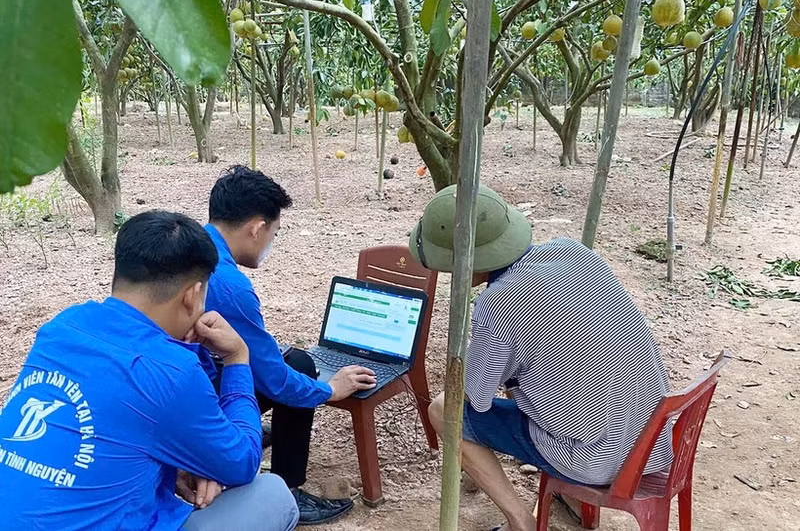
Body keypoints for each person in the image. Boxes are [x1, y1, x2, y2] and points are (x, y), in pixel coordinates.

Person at [0, 211, 299, 531]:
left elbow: (115, 431)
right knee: (274, 495)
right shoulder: (171, 370)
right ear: (193, 295)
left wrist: (177, 462)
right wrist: (238, 358)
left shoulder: (61, 328)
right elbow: (241, 463)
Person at [408, 185, 674, 531]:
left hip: (596, 458)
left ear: (464, 261)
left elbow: (475, 397)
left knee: (445, 410)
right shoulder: (572, 252)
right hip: (649, 438)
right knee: (532, 379)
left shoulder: (497, 304)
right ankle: (571, 500)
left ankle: (522, 522)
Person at [201, 165, 377, 525]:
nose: (271, 242)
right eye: (275, 233)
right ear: (256, 228)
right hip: (197, 395)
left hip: (181, 375)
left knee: (289, 358)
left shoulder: (195, 245)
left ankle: (255, 429)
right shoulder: (230, 286)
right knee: (298, 367)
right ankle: (288, 490)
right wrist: (329, 389)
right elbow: (274, 379)